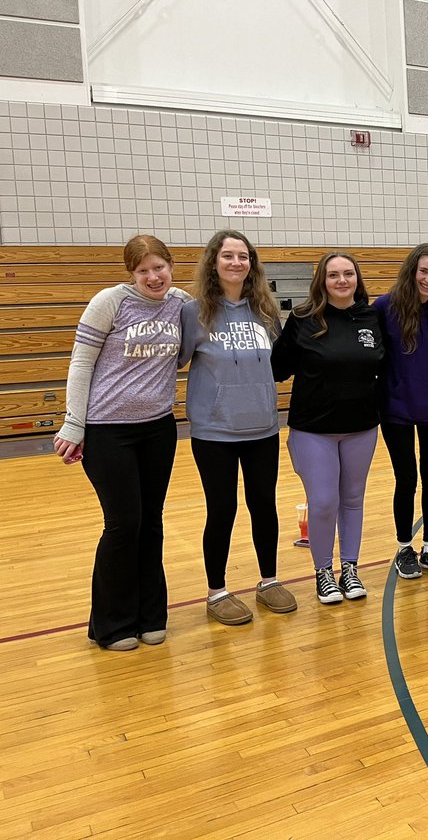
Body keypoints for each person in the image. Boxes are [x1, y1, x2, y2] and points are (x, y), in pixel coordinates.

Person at [53, 235, 189, 651]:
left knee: (151, 522)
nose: (153, 277)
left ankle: (151, 616)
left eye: (159, 267)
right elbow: (81, 364)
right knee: (123, 524)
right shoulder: (109, 302)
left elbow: (182, 356)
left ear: (170, 265)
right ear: (131, 273)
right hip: (107, 429)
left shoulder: (181, 302)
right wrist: (73, 424)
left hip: (158, 429)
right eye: (143, 270)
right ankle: (111, 624)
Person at [180, 229, 296, 625]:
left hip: (263, 428)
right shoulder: (194, 313)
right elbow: (173, 361)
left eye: (243, 256)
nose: (236, 263)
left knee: (265, 506)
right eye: (227, 256)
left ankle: (268, 581)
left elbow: (280, 365)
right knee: (222, 510)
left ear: (252, 264)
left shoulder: (265, 311)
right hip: (215, 432)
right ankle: (217, 592)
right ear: (214, 262)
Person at [271, 251, 384, 603]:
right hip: (313, 429)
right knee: (322, 503)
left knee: (352, 501)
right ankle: (324, 571)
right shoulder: (303, 319)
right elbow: (277, 370)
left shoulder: (371, 316)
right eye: (333, 275)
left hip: (362, 426)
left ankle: (349, 568)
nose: (341, 281)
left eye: (348, 274)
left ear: (357, 279)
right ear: (322, 280)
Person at [374, 244, 428, 581]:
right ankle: (405, 546)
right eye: (424, 272)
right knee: (406, 478)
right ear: (412, 270)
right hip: (396, 407)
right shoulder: (384, 307)